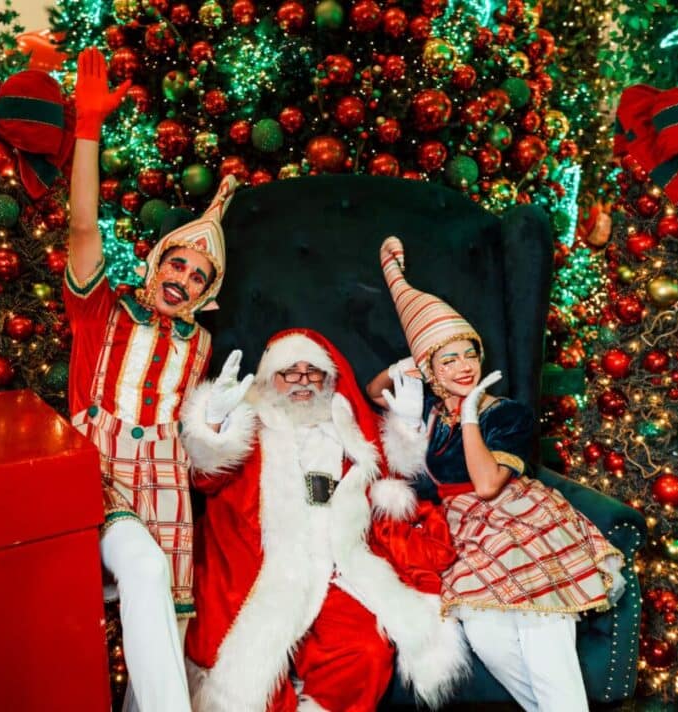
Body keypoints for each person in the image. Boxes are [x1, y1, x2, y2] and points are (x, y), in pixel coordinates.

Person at [367, 237, 626, 712]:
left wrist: (469, 414)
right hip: (467, 534)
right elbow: (375, 390)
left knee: (544, 644)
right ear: (430, 369)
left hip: (521, 523)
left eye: (469, 355)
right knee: (490, 640)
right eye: (449, 359)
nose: (465, 366)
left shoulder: (508, 414)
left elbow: (487, 484)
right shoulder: (426, 406)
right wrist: (403, 367)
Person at [66, 47, 239, 711]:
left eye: (199, 275)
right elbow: (83, 225)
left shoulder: (202, 343)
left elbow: (201, 447)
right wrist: (88, 131)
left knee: (167, 618)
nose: (183, 278)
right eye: (177, 261)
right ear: (155, 259)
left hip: (166, 476)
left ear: (206, 291)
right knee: (135, 566)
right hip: (101, 464)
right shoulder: (102, 306)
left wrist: (217, 422)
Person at [180, 329, 469, 712]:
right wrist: (215, 428)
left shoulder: (347, 426)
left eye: (312, 372)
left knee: (366, 652)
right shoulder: (248, 423)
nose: (303, 381)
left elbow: (394, 471)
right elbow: (206, 478)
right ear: (270, 379)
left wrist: (410, 428)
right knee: (246, 678)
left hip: (337, 566)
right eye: (290, 372)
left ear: (328, 378)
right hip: (265, 569)